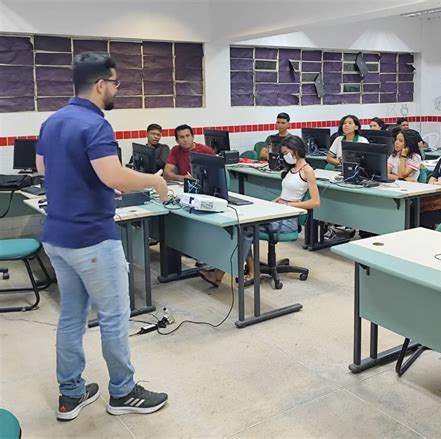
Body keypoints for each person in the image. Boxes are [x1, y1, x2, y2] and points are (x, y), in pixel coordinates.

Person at [35, 53, 169, 421]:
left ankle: (71, 395)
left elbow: (44, 168)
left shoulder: (52, 121)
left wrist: (91, 184)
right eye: (116, 83)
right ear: (100, 84)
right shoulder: (96, 124)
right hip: (92, 238)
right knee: (113, 316)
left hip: (57, 236)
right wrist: (155, 180)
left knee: (71, 318)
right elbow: (115, 176)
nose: (116, 89)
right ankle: (124, 392)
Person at [199, 135, 320, 287]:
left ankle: (222, 273)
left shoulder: (307, 170)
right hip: (279, 212)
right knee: (242, 226)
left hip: (288, 220)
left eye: (286, 152)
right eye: (283, 153)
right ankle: (249, 269)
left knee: (246, 228)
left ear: (296, 150)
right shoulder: (292, 169)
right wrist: (271, 204)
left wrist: (289, 205)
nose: (284, 156)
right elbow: (284, 195)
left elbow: (315, 202)